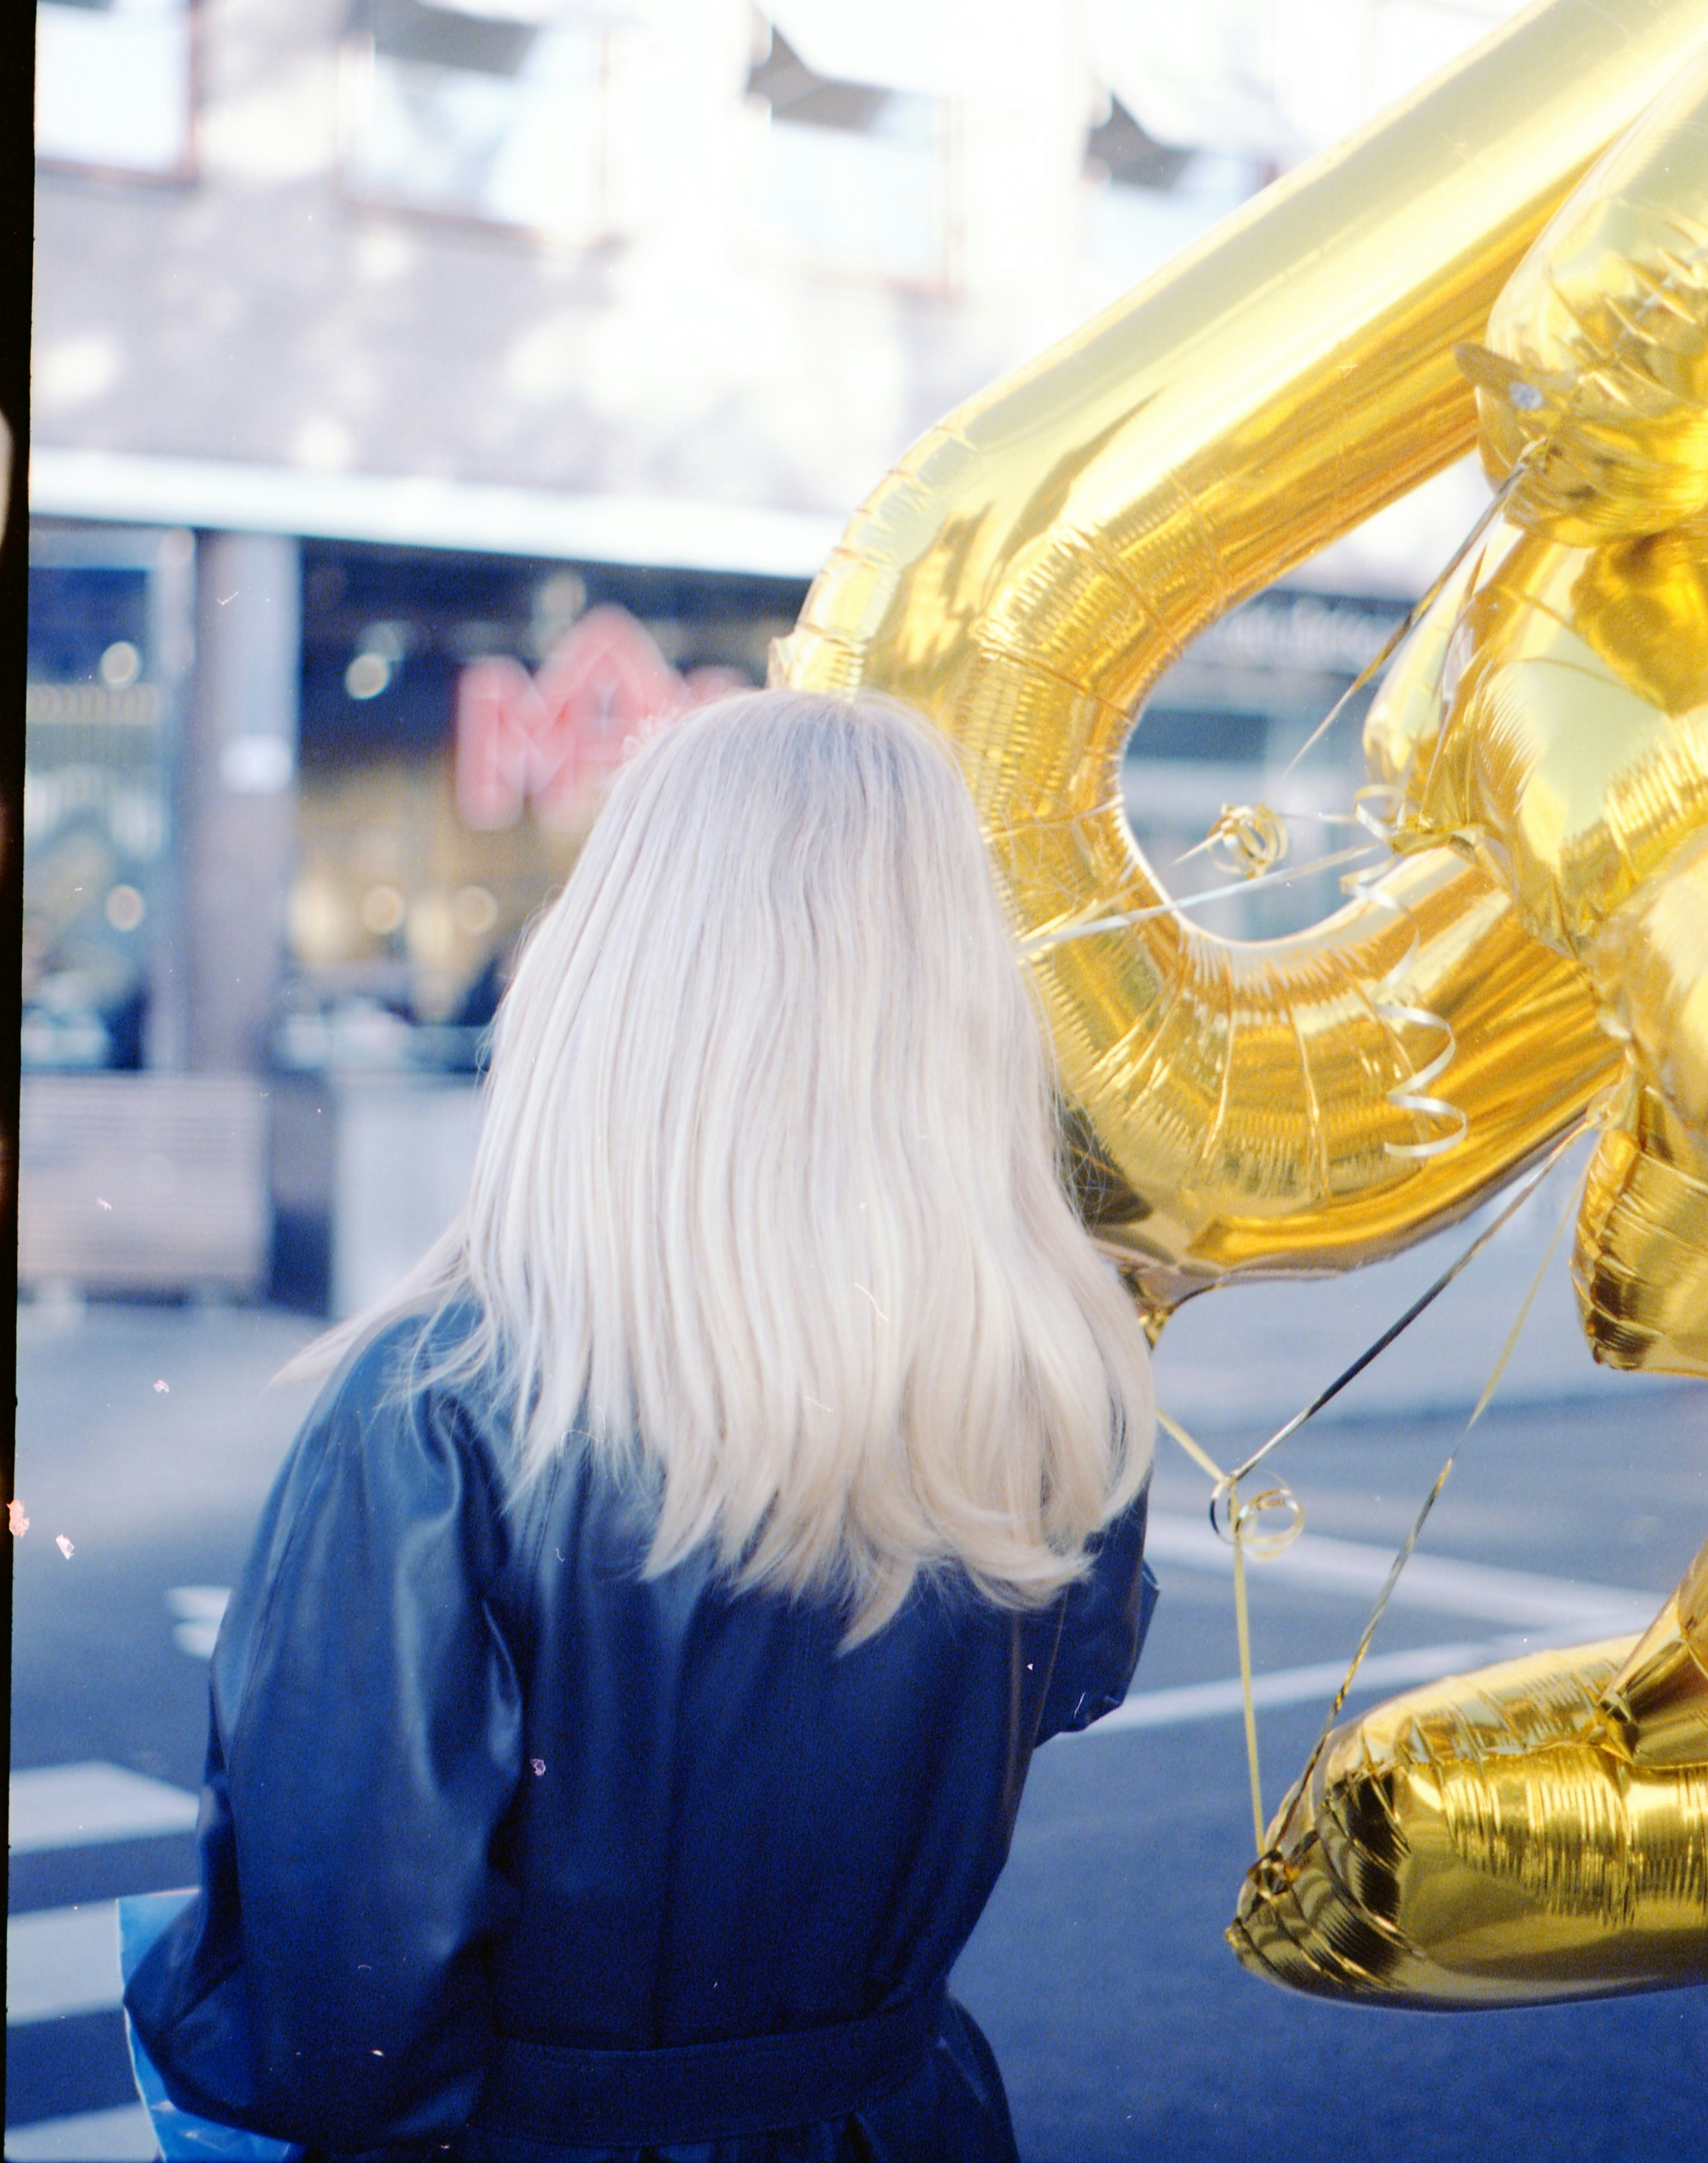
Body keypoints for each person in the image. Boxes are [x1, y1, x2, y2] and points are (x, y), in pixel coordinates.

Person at [125, 688, 1159, 2162]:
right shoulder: (1057, 1370)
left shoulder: (445, 1406)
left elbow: (351, 2010)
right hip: (898, 2121)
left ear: (618, 966)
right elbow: (1072, 1684)